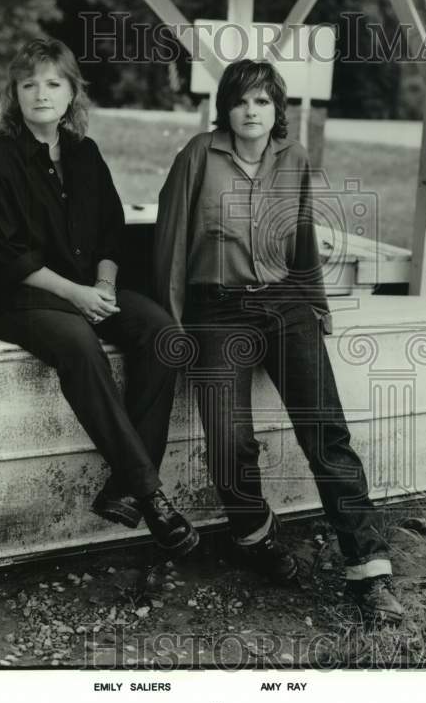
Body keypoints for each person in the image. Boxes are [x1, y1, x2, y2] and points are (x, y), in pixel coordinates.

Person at [154, 59, 403, 621]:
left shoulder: (294, 159)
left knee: (327, 433)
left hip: (287, 305)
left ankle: (369, 571)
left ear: (277, 110)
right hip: (218, 312)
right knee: (229, 439)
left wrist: (314, 305)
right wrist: (169, 327)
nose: (250, 110)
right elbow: (168, 243)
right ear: (226, 106)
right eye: (241, 100)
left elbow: (304, 238)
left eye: (262, 101)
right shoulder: (199, 154)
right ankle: (254, 536)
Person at [0, 37, 198, 558]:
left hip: (87, 289)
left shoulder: (86, 155)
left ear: (72, 91)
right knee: (78, 342)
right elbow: (4, 256)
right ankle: (150, 493)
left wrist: (106, 287)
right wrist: (78, 295)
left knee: (163, 334)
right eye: (28, 84)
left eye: (52, 83)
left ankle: (121, 489)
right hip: (15, 298)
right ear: (14, 95)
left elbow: (111, 233)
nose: (40, 94)